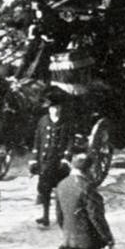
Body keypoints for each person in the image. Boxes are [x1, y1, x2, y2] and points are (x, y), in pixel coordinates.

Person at [55, 152, 114, 249]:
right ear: (89, 169)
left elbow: (59, 216)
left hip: (68, 242)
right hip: (88, 244)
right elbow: (96, 217)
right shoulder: (87, 187)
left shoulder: (61, 185)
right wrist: (107, 237)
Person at [32, 90, 74, 226]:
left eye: (56, 108)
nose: (54, 110)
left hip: (59, 162)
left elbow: (70, 141)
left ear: (60, 108)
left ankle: (61, 216)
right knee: (45, 190)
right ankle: (45, 216)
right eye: (52, 108)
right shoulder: (43, 121)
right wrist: (34, 158)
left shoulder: (66, 122)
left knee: (60, 190)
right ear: (49, 109)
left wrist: (67, 158)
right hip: (45, 161)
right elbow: (37, 140)